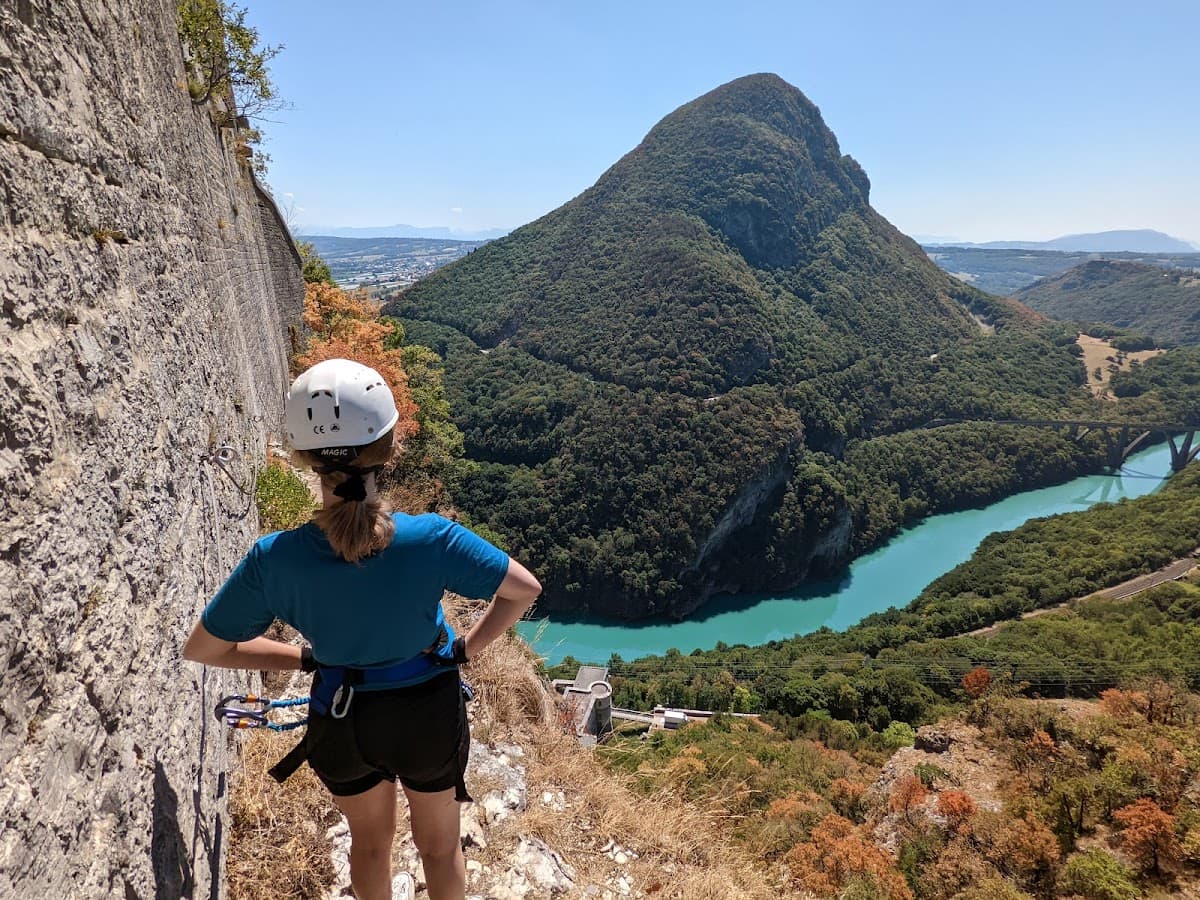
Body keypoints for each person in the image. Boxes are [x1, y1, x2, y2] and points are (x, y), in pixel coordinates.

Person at [183, 358, 542, 900]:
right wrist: (465, 649)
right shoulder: (431, 539)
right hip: (428, 711)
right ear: (389, 448)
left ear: (304, 460)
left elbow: (207, 648)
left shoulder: (273, 560)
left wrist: (305, 659)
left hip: (342, 718)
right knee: (440, 850)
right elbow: (523, 591)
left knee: (370, 847)